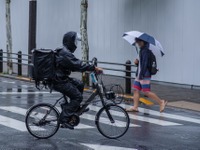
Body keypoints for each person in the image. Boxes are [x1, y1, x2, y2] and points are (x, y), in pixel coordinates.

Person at [53, 31, 103, 129]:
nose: (76, 44)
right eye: (75, 41)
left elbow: (75, 64)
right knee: (77, 97)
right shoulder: (65, 53)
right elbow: (78, 65)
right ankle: (64, 119)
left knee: (79, 84)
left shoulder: (64, 51)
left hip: (59, 78)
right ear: (70, 41)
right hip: (59, 81)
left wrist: (87, 67)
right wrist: (94, 68)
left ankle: (74, 108)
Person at [126, 38, 167, 113]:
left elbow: (144, 64)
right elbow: (140, 63)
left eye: (138, 42)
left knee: (146, 92)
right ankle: (135, 107)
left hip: (144, 74)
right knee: (135, 90)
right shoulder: (142, 50)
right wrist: (137, 62)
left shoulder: (146, 51)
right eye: (136, 42)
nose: (137, 43)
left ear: (143, 42)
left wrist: (141, 75)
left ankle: (161, 102)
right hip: (140, 74)